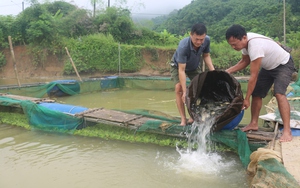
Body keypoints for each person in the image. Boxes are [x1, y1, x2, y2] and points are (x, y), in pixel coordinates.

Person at [225, 24, 295, 142]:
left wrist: (246, 99)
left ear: (243, 38)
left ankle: (287, 131)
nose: (233, 47)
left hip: (283, 64)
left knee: (279, 93)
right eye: (231, 45)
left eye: (235, 44)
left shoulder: (255, 46)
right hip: (268, 67)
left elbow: (253, 76)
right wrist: (228, 71)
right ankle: (253, 123)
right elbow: (244, 61)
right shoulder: (245, 44)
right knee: (257, 94)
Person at [170, 23, 215, 126]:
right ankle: (183, 119)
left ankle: (193, 115)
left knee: (200, 87)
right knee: (179, 88)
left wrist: (213, 72)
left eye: (201, 39)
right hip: (178, 66)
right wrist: (185, 92)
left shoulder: (207, 40)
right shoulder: (183, 46)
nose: (199, 42)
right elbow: (181, 70)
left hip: (193, 66)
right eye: (196, 39)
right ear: (191, 35)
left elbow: (206, 56)